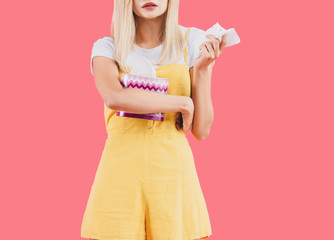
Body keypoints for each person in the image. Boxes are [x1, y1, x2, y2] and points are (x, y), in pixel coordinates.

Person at [81, 0, 227, 239]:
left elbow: (201, 130)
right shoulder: (107, 47)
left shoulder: (191, 41)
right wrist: (182, 103)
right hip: (119, 176)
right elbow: (114, 97)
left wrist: (202, 70)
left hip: (173, 178)